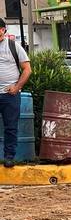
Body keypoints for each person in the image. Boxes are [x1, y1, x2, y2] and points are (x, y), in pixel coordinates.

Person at [0, 17, 31, 168]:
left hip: (9, 95)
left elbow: (27, 69)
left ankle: (9, 157)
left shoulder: (13, 46)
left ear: (3, 30)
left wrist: (17, 87)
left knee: (10, 127)